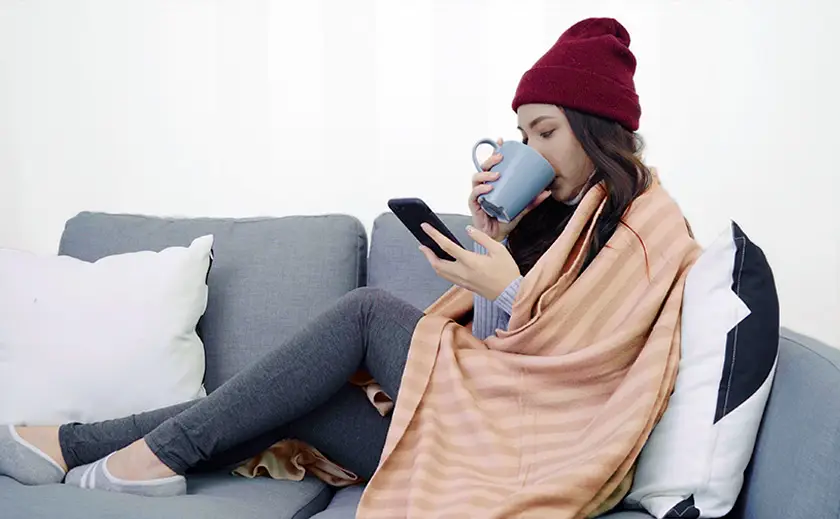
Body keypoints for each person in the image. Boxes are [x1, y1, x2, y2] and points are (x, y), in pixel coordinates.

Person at [0, 17, 700, 517]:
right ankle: (74, 445)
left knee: (368, 313)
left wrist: (507, 288)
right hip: (477, 437)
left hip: (531, 457)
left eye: (545, 131)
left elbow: (581, 376)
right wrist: (494, 245)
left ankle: (133, 456)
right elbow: (507, 359)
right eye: (521, 134)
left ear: (598, 129)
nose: (529, 149)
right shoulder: (561, 222)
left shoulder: (646, 228)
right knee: (306, 395)